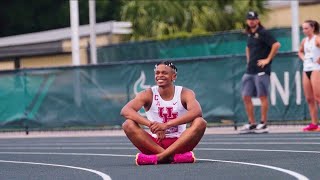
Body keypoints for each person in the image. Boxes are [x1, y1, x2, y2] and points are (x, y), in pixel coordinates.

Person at [121, 61, 207, 165]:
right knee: (128, 124)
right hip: (154, 143)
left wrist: (166, 125)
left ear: (173, 76)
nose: (160, 75)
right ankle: (172, 157)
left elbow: (197, 111)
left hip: (180, 142)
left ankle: (159, 157)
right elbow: (126, 110)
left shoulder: (185, 93)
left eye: (164, 73)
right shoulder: (148, 93)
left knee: (200, 122)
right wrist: (153, 126)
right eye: (157, 73)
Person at [240, 11, 281, 133]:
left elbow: (276, 45)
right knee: (246, 96)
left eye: (253, 19)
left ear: (258, 20)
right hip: (250, 70)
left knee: (262, 96)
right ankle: (252, 123)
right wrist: (248, 61)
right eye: (249, 19)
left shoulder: (263, 32)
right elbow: (247, 47)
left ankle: (263, 123)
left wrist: (267, 60)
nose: (251, 21)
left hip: (262, 71)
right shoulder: (250, 34)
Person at [298, 20, 320, 131]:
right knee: (309, 98)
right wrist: (304, 58)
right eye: (303, 28)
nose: (304, 31)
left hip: (317, 69)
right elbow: (300, 51)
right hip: (306, 69)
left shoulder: (317, 38)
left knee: (318, 97)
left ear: (312, 28)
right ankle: (314, 124)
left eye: (306, 28)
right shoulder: (304, 41)